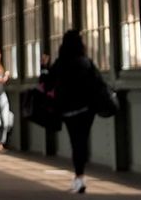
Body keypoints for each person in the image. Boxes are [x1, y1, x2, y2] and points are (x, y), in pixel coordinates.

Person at [50, 29, 102, 194]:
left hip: (68, 111)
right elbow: (98, 82)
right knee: (82, 140)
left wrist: (44, 67)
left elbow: (48, 82)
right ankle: (80, 176)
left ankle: (79, 176)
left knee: (75, 142)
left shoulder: (60, 63)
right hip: (86, 110)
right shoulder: (86, 62)